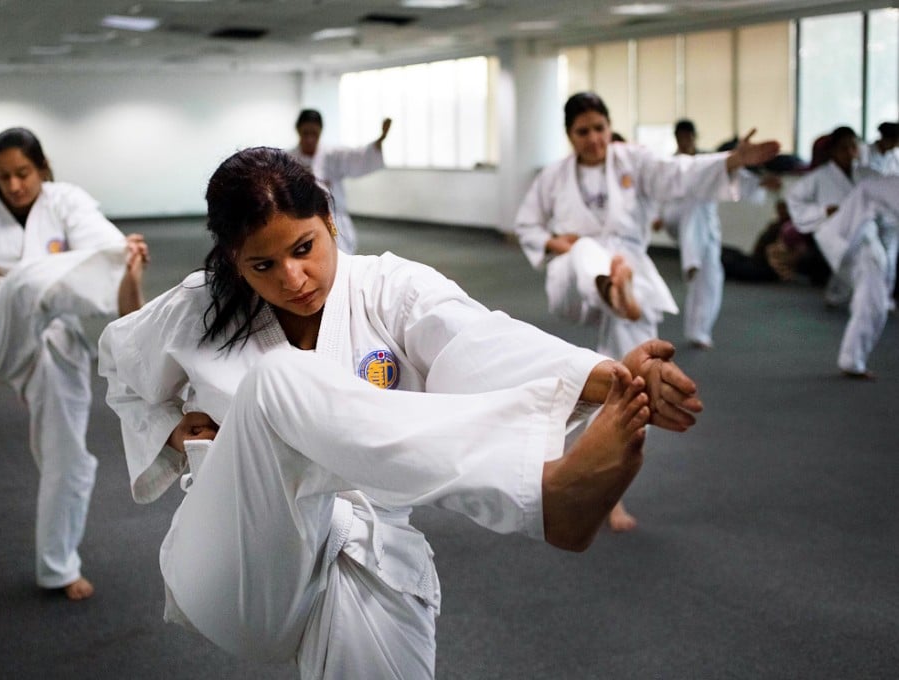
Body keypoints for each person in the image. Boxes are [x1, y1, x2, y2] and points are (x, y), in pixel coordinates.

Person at [98, 147, 705, 679]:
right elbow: (117, 364)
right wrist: (168, 432)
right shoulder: (194, 311)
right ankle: (543, 495)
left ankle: (541, 493)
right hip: (234, 567)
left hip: (363, 551)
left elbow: (481, 345)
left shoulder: (391, 288)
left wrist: (615, 379)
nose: (293, 277)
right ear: (234, 263)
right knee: (280, 382)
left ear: (330, 220)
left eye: (304, 248)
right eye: (263, 266)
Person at [513, 93, 778, 530]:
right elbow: (527, 227)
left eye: (600, 128)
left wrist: (731, 161)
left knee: (632, 383)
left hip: (630, 276)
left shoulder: (632, 160)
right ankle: (610, 287)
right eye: (583, 131)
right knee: (585, 253)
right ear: (569, 135)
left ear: (608, 126)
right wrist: (571, 244)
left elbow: (680, 174)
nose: (595, 139)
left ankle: (611, 493)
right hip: (574, 281)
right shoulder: (554, 177)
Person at [0, 127, 149, 600]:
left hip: (52, 340)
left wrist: (121, 254)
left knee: (69, 456)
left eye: (23, 174)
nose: (13, 186)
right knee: (29, 281)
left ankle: (58, 566)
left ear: (43, 167)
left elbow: (99, 241)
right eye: (3, 177)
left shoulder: (66, 201)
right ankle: (127, 298)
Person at [654, 119, 781, 348]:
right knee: (695, 203)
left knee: (711, 277)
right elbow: (655, 188)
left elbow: (733, 175)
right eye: (680, 137)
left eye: (688, 137)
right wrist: (656, 216)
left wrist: (761, 182)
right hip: (676, 217)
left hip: (705, 228)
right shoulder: (671, 162)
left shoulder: (709, 161)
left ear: (694, 137)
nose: (685, 141)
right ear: (676, 138)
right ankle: (691, 261)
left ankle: (699, 331)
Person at [786, 126, 894, 306]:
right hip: (834, 232)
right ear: (833, 150)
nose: (849, 152)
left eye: (853, 147)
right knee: (856, 269)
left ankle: (842, 295)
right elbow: (794, 199)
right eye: (844, 148)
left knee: (876, 263)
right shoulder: (819, 177)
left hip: (864, 230)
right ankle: (856, 299)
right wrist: (823, 211)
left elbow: (885, 189)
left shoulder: (865, 174)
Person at [806, 173, 899, 378]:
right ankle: (851, 362)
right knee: (872, 303)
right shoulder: (882, 186)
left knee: (876, 303)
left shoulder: (882, 186)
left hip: (856, 241)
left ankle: (852, 360)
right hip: (854, 243)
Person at [287, 108, 390, 255]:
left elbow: (359, 157)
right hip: (301, 221)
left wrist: (381, 138)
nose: (310, 138)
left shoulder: (333, 155)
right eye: (305, 133)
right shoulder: (288, 159)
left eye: (314, 134)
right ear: (298, 131)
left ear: (320, 132)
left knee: (341, 260)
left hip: (335, 220)